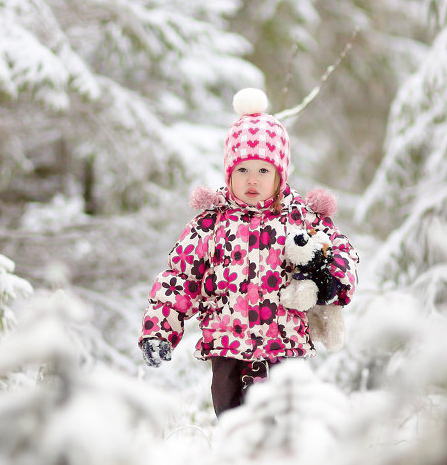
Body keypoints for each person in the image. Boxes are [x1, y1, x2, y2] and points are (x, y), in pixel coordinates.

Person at [139, 88, 359, 416]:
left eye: (262, 171)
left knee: (283, 425)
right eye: (242, 170)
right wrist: (159, 330)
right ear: (229, 172)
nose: (252, 180)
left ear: (280, 175)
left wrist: (330, 277)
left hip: (284, 344)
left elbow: (342, 253)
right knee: (233, 422)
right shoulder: (211, 222)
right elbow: (180, 278)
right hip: (227, 346)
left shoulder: (301, 216)